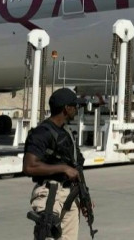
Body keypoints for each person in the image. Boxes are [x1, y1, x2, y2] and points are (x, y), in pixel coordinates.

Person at [23, 88, 85, 240]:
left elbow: (76, 167)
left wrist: (83, 196)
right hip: (50, 194)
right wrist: (63, 168)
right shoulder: (41, 133)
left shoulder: (67, 132)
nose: (76, 110)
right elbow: (29, 166)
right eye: (74, 106)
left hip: (70, 195)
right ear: (66, 108)